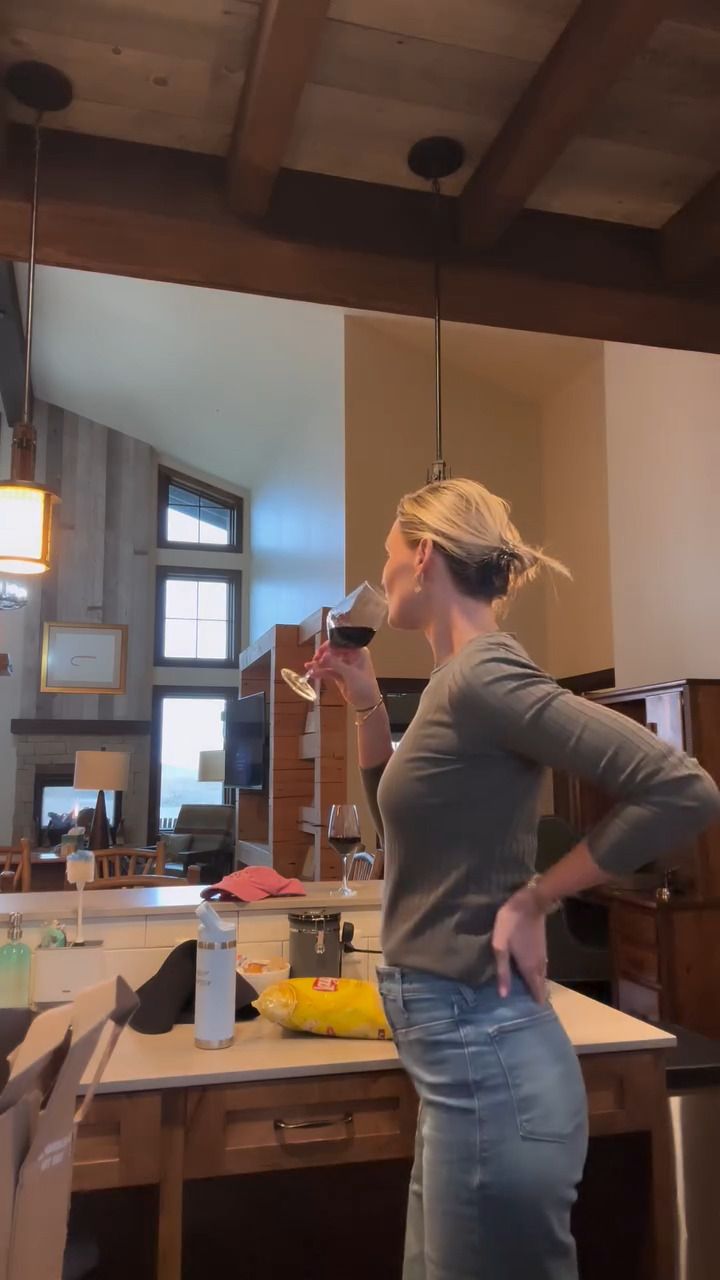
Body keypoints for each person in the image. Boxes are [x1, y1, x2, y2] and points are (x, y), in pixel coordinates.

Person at [307, 478, 720, 1280]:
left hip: (485, 1052)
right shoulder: (452, 683)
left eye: (388, 556)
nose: (381, 574)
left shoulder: (485, 676)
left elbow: (683, 788)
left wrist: (539, 895)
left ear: (424, 557)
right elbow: (400, 823)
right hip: (462, 1059)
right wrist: (366, 704)